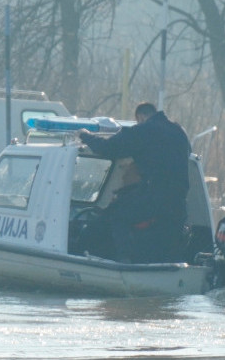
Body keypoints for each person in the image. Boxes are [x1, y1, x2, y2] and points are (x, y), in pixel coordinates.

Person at [74, 102, 191, 262]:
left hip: (154, 197)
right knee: (169, 238)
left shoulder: (143, 131)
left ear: (140, 117)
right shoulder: (179, 132)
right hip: (178, 201)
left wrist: (84, 135)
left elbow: (108, 148)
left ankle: (124, 261)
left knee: (117, 213)